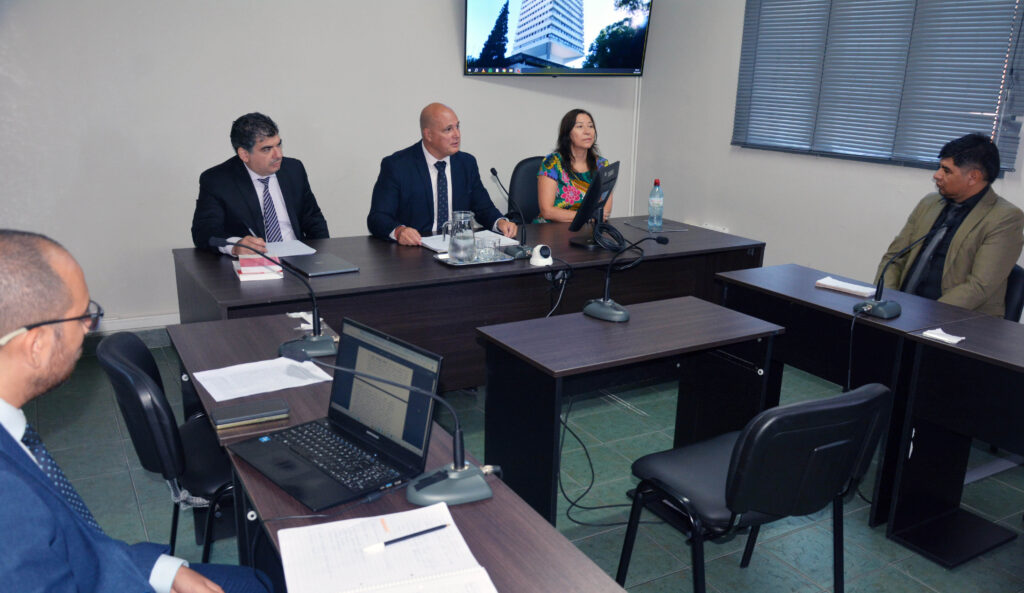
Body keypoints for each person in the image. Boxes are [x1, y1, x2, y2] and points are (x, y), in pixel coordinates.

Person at [0, 229, 271, 593]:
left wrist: (160, 569)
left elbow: (73, 543)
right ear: (36, 345)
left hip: (112, 569)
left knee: (257, 582)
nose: (89, 328)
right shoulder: (8, 497)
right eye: (83, 317)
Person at [876, 133, 1024, 317]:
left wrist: (922, 316)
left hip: (959, 321)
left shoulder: (1005, 218)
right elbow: (894, 258)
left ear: (973, 177)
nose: (936, 175)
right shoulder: (929, 203)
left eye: (946, 171)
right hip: (901, 312)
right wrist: (886, 301)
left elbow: (979, 286)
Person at [367, 103, 517, 245]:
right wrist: (399, 231)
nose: (457, 134)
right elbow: (378, 217)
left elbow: (483, 208)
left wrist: (500, 222)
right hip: (415, 250)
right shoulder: (398, 166)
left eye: (457, 127)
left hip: (458, 248)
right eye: (448, 129)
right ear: (428, 134)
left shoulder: (466, 163)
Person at [192, 113, 329, 255]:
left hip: (299, 256)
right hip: (253, 261)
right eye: (267, 149)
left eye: (278, 145)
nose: (278, 155)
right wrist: (235, 246)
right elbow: (204, 231)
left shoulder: (294, 169)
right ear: (244, 154)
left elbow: (314, 220)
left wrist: (322, 256)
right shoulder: (217, 180)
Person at [535, 109, 612, 223]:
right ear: (568, 133)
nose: (587, 131)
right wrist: (588, 216)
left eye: (590, 126)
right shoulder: (552, 163)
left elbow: (605, 210)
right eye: (580, 126)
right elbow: (547, 211)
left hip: (588, 227)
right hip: (552, 227)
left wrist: (592, 217)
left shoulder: (601, 165)